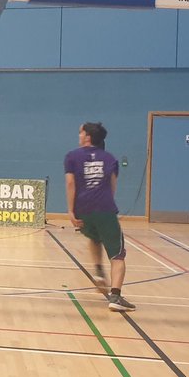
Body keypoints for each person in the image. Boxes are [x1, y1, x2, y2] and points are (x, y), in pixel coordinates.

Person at [66, 122, 134, 312]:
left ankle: (98, 271)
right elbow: (112, 187)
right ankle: (115, 297)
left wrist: (71, 210)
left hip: (83, 211)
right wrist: (105, 208)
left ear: (87, 137)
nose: (79, 136)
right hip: (104, 208)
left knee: (94, 237)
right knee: (117, 255)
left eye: (80, 133)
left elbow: (70, 183)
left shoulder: (72, 156)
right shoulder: (110, 158)